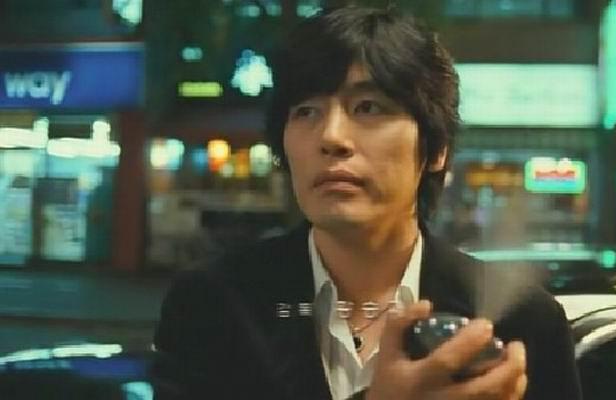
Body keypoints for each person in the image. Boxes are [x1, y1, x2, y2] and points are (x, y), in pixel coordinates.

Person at [151, 6, 582, 400]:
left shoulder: (522, 323)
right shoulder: (212, 305)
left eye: (368, 107)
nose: (331, 137)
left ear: (436, 150)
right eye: (306, 112)